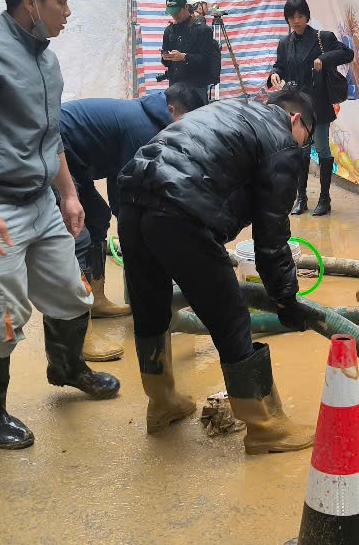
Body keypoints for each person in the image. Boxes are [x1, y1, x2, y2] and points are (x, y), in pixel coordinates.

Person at [0, 0, 120, 450]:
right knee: (3, 315)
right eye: (61, 2)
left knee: (71, 293)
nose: (68, 11)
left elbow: (51, 134)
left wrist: (67, 192)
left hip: (42, 200)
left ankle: (66, 368)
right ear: (31, 4)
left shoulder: (46, 56)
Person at [115, 86, 315, 453]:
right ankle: (265, 427)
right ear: (296, 119)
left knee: (151, 306)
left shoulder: (232, 109)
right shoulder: (282, 139)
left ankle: (162, 403)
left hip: (131, 196)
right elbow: (271, 235)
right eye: (307, 140)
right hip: (179, 209)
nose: (303, 148)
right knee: (231, 317)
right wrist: (286, 298)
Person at [58, 83, 208, 361]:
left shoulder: (148, 116)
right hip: (54, 151)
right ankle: (78, 337)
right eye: (185, 121)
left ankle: (97, 300)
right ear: (171, 109)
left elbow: (121, 176)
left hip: (76, 158)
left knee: (97, 217)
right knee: (76, 235)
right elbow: (131, 186)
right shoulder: (144, 128)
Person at [266, 0, 353, 217]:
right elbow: (279, 67)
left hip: (319, 104)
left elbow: (347, 53)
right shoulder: (285, 43)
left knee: (322, 148)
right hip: (296, 106)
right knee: (300, 151)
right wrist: (274, 75)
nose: (296, 21)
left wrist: (323, 58)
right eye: (291, 17)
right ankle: (301, 198)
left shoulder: (322, 37)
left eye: (300, 16)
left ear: (307, 17)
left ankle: (325, 199)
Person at [159, 0, 221, 93]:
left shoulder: (202, 30)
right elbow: (166, 62)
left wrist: (184, 57)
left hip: (196, 88)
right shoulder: (169, 30)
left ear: (186, 7)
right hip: (174, 87)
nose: (174, 15)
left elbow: (207, 60)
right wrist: (165, 57)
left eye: (177, 11)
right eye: (171, 12)